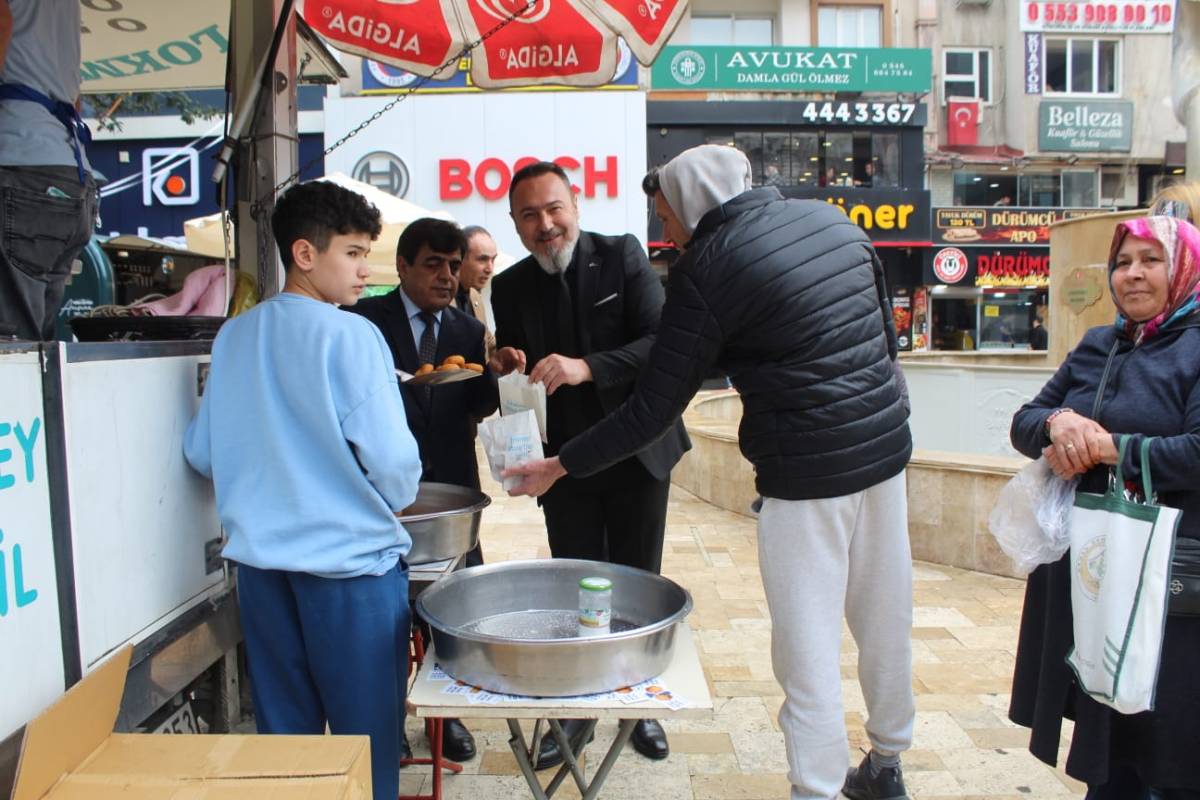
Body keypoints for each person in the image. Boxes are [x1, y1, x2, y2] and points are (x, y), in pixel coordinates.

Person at [504, 144, 915, 800]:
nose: (668, 231)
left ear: (693, 202)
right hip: (886, 454)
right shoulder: (833, 220)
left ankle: (815, 788)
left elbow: (653, 410)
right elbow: (887, 340)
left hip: (804, 474)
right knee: (885, 612)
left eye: (668, 215)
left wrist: (560, 464)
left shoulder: (709, 265)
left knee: (806, 645)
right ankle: (888, 761)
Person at [183, 181, 421, 800]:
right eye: (354, 253)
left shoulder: (235, 336)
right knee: (365, 748)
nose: (365, 269)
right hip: (350, 574)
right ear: (305, 254)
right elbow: (395, 465)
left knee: (287, 751)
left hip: (264, 576)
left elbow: (201, 453)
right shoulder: (352, 335)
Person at [488, 161, 690, 768]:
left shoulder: (622, 255)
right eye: (530, 215)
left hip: (636, 453)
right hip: (562, 464)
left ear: (575, 204)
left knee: (637, 581)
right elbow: (518, 372)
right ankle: (577, 715)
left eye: (554, 208)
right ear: (516, 223)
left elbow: (661, 343)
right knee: (574, 585)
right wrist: (507, 362)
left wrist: (587, 366)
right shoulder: (509, 285)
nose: (545, 224)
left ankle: (638, 707)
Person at [1008, 214, 1200, 800]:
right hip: (1098, 577)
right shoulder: (1100, 344)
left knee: (1169, 740)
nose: (1133, 274)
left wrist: (1108, 448)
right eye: (1122, 262)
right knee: (1110, 734)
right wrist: (1058, 422)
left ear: (1184, 270)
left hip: (1171, 581)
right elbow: (1024, 423)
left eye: (1151, 260)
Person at [347, 217, 498, 763]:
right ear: (403, 266)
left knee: (453, 604)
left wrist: (494, 372)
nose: (447, 276)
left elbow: (479, 404)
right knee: (384, 610)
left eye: (454, 266)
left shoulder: (465, 329)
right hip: (381, 490)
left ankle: (445, 714)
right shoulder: (365, 322)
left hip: (452, 487)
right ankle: (383, 717)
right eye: (433, 264)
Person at [0, 0, 98, 340]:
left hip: (21, 164)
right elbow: (75, 99)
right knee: (33, 344)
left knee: (12, 346)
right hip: (67, 169)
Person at [454, 224, 498, 359]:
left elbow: (490, 345)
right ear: (460, 259)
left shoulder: (475, 297)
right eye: (482, 259)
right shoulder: (438, 298)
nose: (490, 269)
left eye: (493, 259)